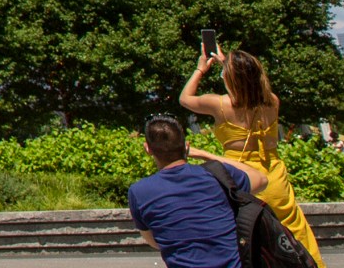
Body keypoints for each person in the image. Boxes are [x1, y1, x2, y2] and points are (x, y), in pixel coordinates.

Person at [181, 48, 325, 267]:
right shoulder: (272, 102)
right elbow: (247, 85)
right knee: (292, 228)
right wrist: (227, 65)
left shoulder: (221, 104)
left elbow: (186, 98)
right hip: (274, 174)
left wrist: (201, 69)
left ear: (230, 78)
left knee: (248, 234)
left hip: (241, 175)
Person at [128, 115, 268, 268]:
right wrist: (205, 155)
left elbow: (154, 241)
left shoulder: (139, 191)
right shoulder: (216, 176)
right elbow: (261, 179)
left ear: (147, 149)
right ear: (186, 146)